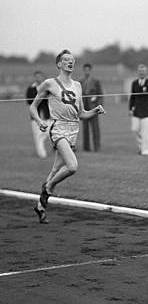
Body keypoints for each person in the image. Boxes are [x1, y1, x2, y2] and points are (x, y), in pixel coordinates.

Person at [29, 49, 106, 224]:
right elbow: (32, 107)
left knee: (55, 170)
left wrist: (95, 110)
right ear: (59, 64)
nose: (70, 62)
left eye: (72, 60)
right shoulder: (49, 83)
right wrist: (40, 121)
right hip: (57, 129)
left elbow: (82, 114)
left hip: (73, 130)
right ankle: (49, 187)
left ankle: (40, 206)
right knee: (72, 166)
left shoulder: (78, 85)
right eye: (66, 60)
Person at [129, 64, 148, 155]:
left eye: (143, 71)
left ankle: (145, 150)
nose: (141, 73)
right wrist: (130, 109)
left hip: (147, 112)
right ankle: (141, 147)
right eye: (140, 71)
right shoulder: (134, 83)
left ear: (146, 72)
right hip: (136, 111)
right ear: (138, 72)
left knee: (145, 132)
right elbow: (132, 97)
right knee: (135, 129)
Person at [26, 70, 50, 159]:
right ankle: (41, 154)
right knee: (37, 136)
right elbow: (29, 101)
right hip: (35, 117)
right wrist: (38, 99)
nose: (38, 78)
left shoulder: (47, 87)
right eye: (37, 76)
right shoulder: (31, 88)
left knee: (49, 134)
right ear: (35, 77)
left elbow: (51, 99)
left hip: (47, 115)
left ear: (43, 77)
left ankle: (57, 149)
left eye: (40, 76)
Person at [80, 63, 103, 151]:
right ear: (83, 71)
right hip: (84, 109)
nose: (86, 72)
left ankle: (96, 147)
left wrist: (100, 107)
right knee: (85, 129)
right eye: (85, 70)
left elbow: (100, 94)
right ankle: (86, 148)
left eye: (88, 70)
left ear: (90, 70)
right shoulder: (80, 81)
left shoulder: (96, 81)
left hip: (94, 108)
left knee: (95, 129)